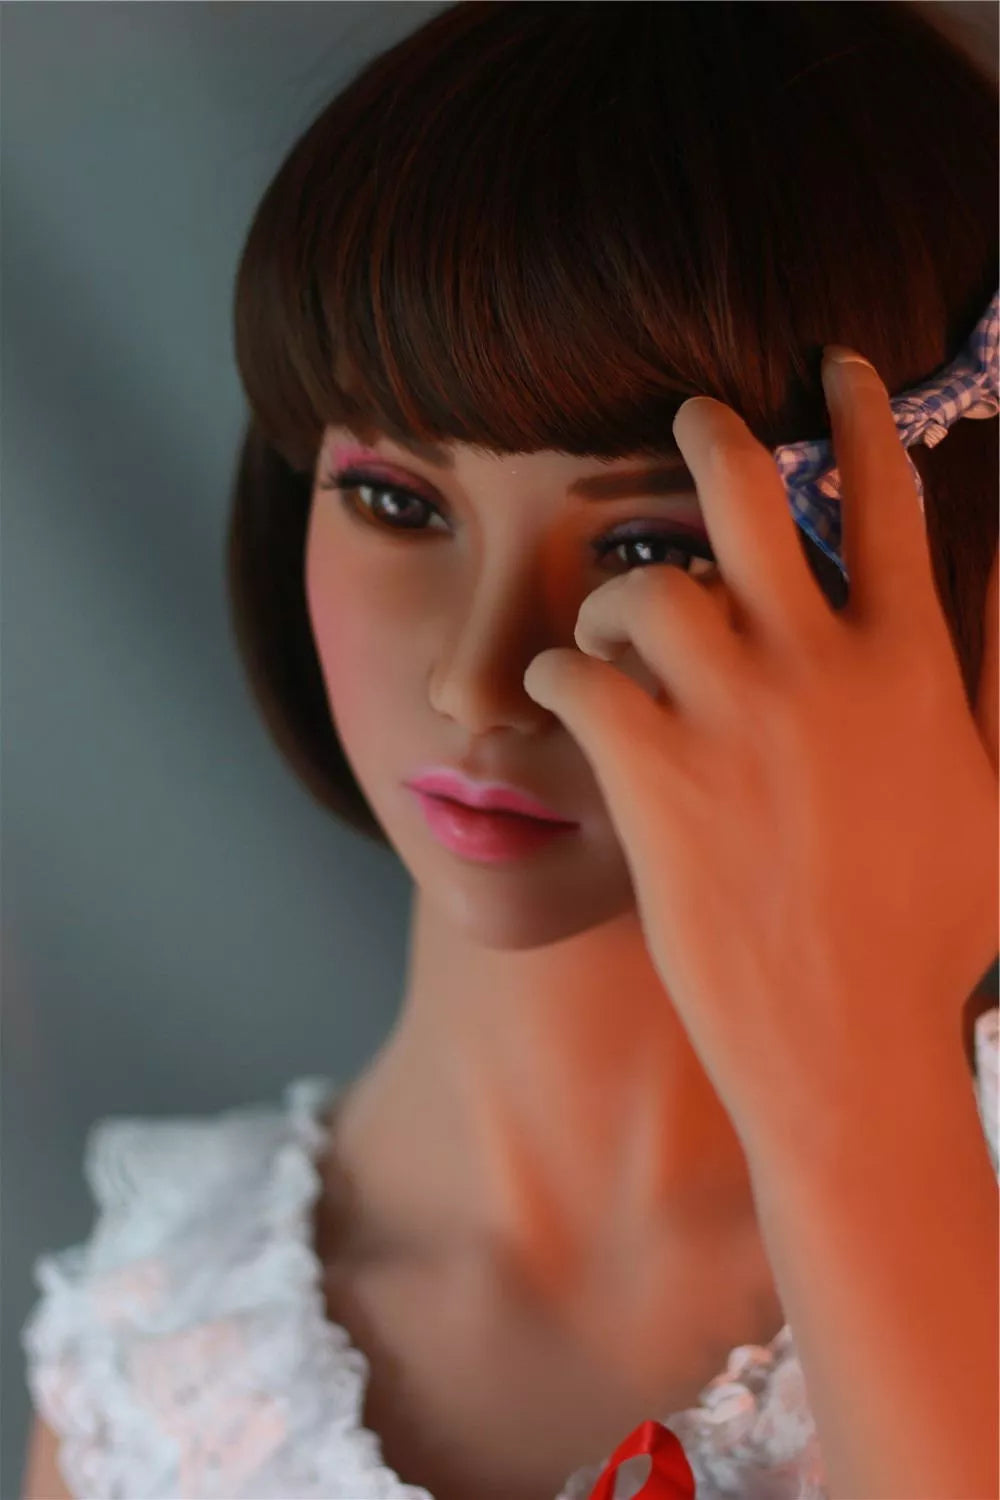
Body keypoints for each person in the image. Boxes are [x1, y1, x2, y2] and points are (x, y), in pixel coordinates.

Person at [21, 4, 999, 1499]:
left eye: (652, 543)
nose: (482, 678)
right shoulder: (161, 1366)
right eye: (398, 504)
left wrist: (866, 1088)